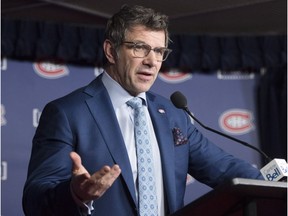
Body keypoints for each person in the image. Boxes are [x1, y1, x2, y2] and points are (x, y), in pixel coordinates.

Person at [22, 5, 264, 216]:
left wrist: (276, 185)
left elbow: (225, 169)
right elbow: (35, 201)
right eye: (140, 48)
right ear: (110, 51)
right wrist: (76, 193)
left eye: (159, 51)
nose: (152, 61)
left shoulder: (173, 114)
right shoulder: (67, 113)